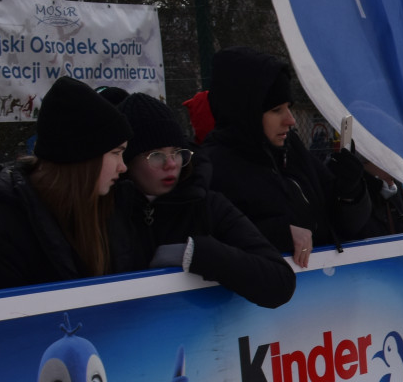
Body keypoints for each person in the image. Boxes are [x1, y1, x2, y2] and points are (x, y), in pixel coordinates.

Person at [115, 92, 297, 308]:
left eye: (176, 152)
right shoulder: (107, 210)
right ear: (126, 162)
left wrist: (195, 254)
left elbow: (279, 282)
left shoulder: (206, 203)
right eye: (156, 156)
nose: (171, 164)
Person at [201, 46, 371, 267]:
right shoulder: (214, 166)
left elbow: (347, 226)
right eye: (276, 110)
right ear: (245, 111)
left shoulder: (292, 149)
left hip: (328, 286)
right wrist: (279, 233)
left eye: (288, 107)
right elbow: (212, 238)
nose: (290, 120)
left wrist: (351, 192)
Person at [0, 77, 142, 291]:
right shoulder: (1, 231)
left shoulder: (112, 205)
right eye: (116, 153)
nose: (123, 167)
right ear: (82, 158)